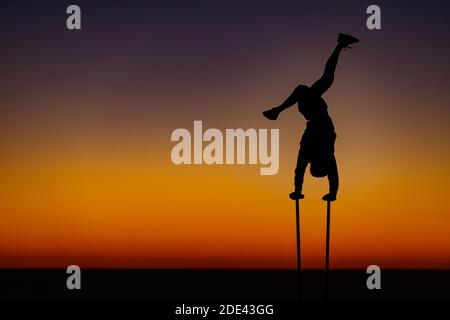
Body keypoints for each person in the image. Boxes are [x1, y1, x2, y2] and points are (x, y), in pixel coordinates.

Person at [263, 33, 359, 201]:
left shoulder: (310, 151)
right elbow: (330, 175)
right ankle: (339, 45)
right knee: (324, 80)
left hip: (313, 113)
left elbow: (300, 169)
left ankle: (277, 111)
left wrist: (298, 190)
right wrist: (332, 194)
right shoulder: (326, 156)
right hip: (318, 113)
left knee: (318, 83)